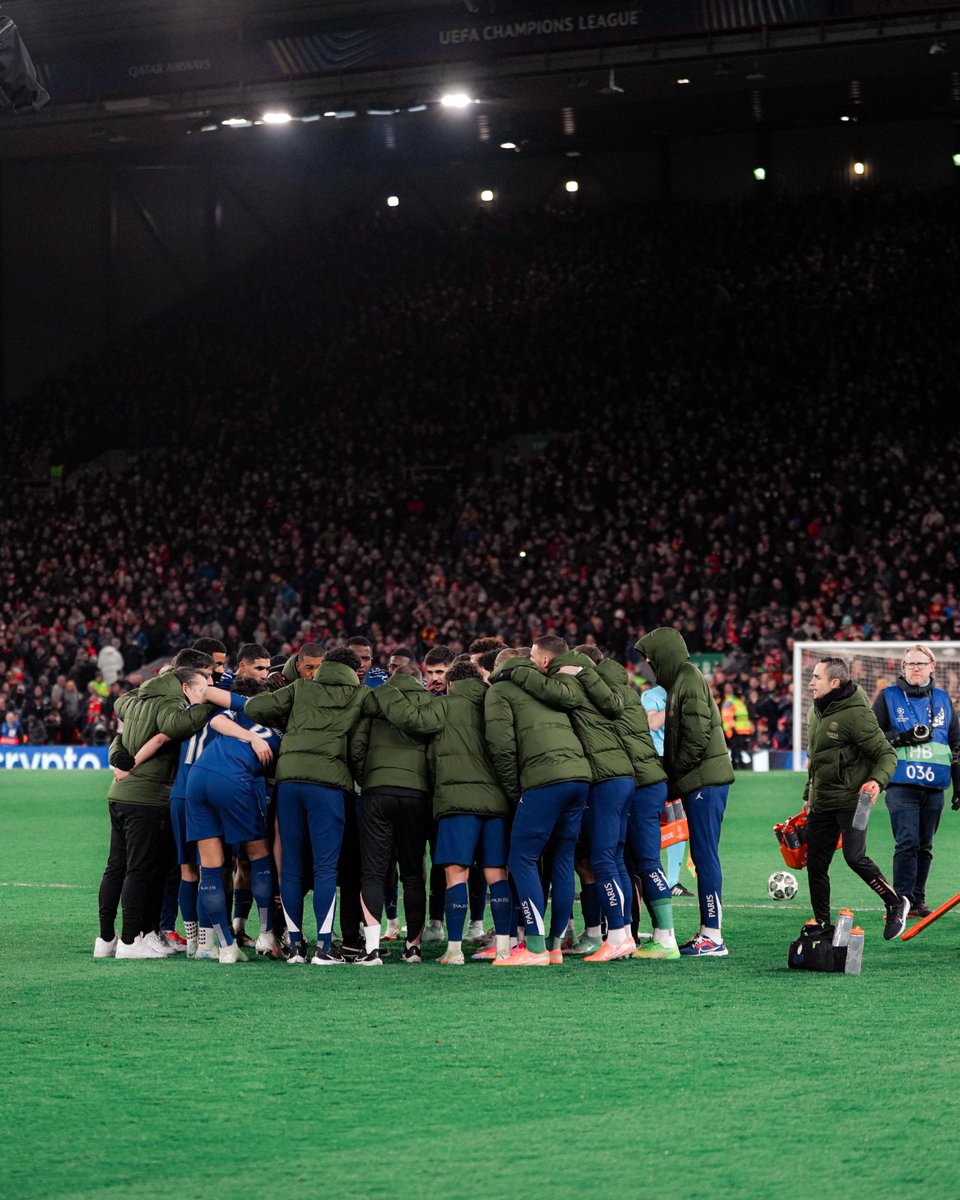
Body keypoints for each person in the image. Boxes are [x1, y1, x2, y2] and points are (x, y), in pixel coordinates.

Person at [373, 658, 513, 965]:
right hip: (496, 803)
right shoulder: (494, 702)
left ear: (450, 682)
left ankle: (454, 950)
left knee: (456, 875)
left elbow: (412, 719)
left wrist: (386, 690)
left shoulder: (445, 705)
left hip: (455, 800)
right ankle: (504, 948)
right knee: (496, 874)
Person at [243, 645, 366, 964]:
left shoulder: (299, 687)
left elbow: (255, 708)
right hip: (328, 784)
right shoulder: (359, 694)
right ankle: (324, 948)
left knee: (293, 866)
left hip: (289, 781)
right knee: (326, 867)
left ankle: (296, 947)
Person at [485, 639, 592, 965]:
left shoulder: (499, 691)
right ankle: (556, 945)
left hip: (544, 779)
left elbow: (501, 746)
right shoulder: (548, 684)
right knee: (561, 857)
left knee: (521, 858)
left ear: (497, 668)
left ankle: (534, 947)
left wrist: (516, 790)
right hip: (579, 776)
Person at [635, 627, 735, 956]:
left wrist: (673, 775)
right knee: (704, 855)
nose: (649, 664)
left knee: (705, 856)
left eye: (651, 659)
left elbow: (695, 736)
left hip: (704, 781)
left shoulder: (687, 681)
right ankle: (709, 932)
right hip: (702, 779)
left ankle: (713, 935)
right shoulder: (682, 681)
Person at [804, 655, 907, 939]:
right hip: (821, 801)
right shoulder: (815, 712)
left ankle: (895, 902)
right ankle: (822, 923)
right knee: (816, 863)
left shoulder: (857, 714)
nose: (811, 682)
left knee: (854, 857)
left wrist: (876, 781)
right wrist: (807, 795)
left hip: (853, 800)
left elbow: (887, 754)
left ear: (834, 682)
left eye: (817, 677)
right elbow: (816, 759)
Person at [349, 663, 436, 965]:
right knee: (413, 872)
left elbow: (357, 747)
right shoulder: (431, 703)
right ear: (418, 679)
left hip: (377, 791)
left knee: (373, 871)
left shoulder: (373, 703)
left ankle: (372, 949)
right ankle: (413, 947)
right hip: (416, 795)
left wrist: (367, 778)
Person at [871, 644, 960, 917]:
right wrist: (900, 737)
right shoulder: (887, 697)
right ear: (903, 668)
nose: (916, 668)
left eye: (921, 664)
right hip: (901, 785)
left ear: (932, 667)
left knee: (925, 846)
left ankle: (917, 901)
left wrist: (959, 786)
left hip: (935, 786)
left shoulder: (944, 700)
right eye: (911, 664)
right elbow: (870, 738)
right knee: (907, 842)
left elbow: (956, 745)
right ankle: (902, 901)